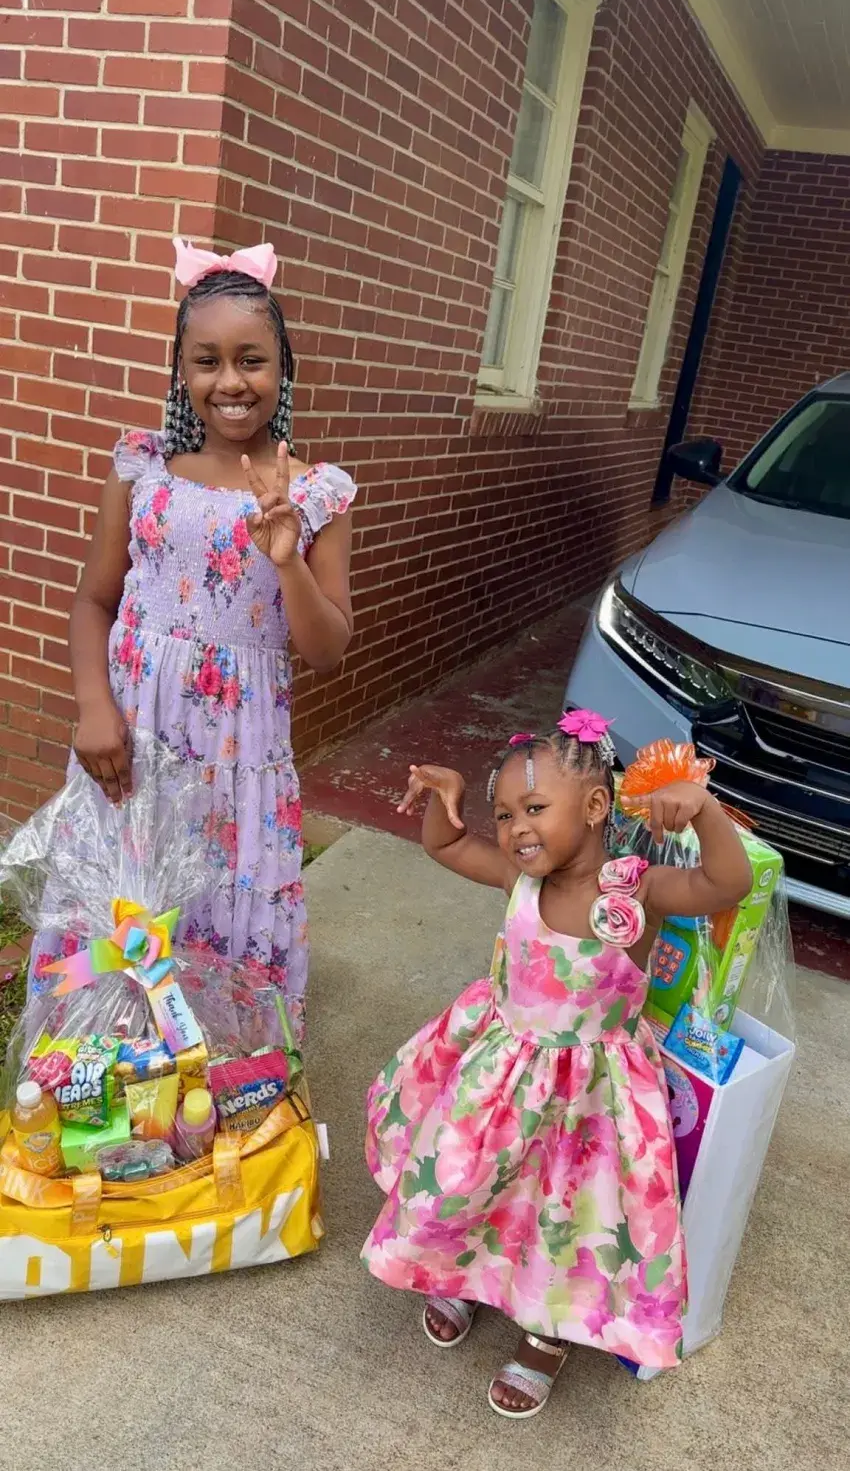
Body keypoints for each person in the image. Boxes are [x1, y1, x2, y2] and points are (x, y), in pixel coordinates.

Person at [361, 712, 753, 1419]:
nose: (516, 828)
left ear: (596, 805)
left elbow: (728, 883)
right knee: (474, 1178)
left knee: (565, 1218)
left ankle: (546, 1336)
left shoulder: (638, 892)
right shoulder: (519, 878)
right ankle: (461, 1268)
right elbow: (447, 844)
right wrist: (446, 796)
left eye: (535, 808)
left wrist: (704, 808)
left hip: (590, 1104)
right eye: (505, 814)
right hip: (501, 1077)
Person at [30, 239, 356, 1043]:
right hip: (131, 743)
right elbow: (93, 601)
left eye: (252, 360)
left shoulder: (316, 494)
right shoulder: (142, 469)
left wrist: (288, 558)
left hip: (236, 761)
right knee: (123, 905)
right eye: (207, 361)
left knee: (218, 906)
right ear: (181, 370)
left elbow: (326, 649)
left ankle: (219, 1076)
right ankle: (97, 1066)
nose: (230, 381)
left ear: (283, 369)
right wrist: (93, 707)